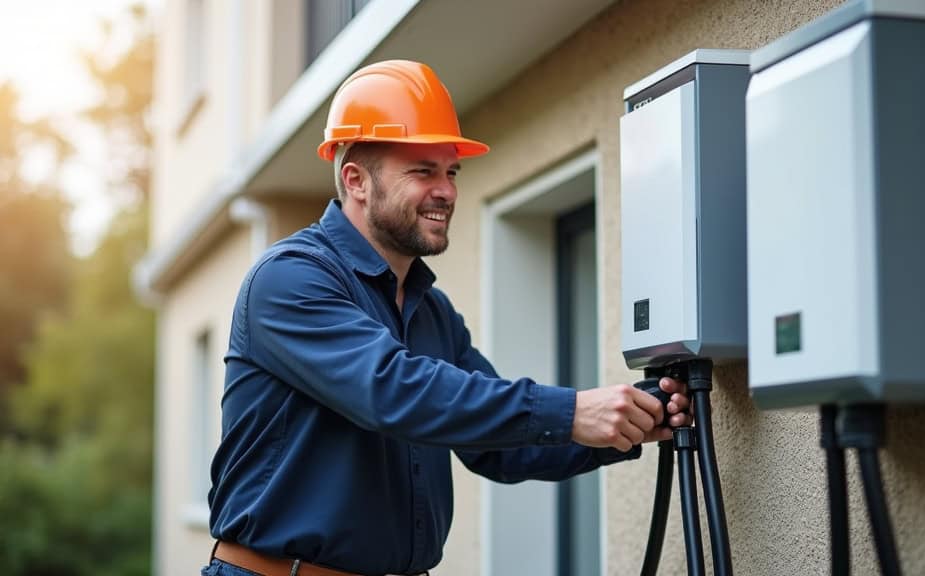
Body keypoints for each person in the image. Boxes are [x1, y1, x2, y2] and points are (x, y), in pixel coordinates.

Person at [203, 60, 690, 576]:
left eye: (451, 172)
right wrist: (572, 411)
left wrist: (632, 420)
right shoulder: (290, 280)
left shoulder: (430, 310)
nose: (448, 191)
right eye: (423, 171)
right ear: (356, 180)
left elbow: (499, 446)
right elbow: (394, 391)